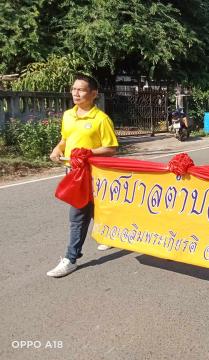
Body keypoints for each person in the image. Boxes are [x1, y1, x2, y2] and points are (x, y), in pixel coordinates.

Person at [47, 74, 119, 278]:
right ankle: (109, 234)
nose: (76, 93)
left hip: (93, 174)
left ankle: (70, 258)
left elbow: (111, 148)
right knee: (93, 207)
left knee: (78, 215)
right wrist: (58, 149)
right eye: (73, 89)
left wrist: (88, 153)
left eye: (81, 90)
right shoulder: (68, 115)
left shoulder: (101, 119)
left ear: (93, 94)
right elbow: (65, 139)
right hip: (73, 171)